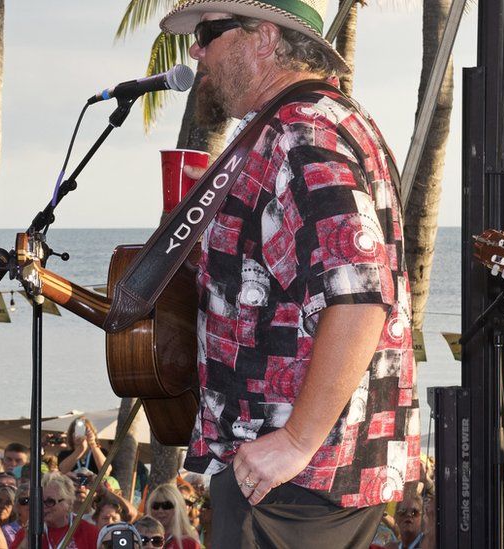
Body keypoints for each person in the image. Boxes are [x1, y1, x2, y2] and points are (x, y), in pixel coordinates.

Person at [158, 0, 419, 545]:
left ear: (263, 38)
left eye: (209, 32)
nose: (196, 50)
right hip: (296, 475)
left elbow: (361, 293)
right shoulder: (313, 123)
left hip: (293, 478)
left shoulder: (302, 135)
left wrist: (298, 439)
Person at [9, 472, 97, 549]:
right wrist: (27, 542)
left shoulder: (88, 532)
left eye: (50, 501)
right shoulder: (30, 532)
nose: (43, 507)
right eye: (40, 501)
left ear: (68, 503)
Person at [144, 485, 199, 549]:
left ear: (178, 508)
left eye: (166, 505)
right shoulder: (140, 538)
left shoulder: (188, 543)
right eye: (155, 506)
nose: (160, 510)